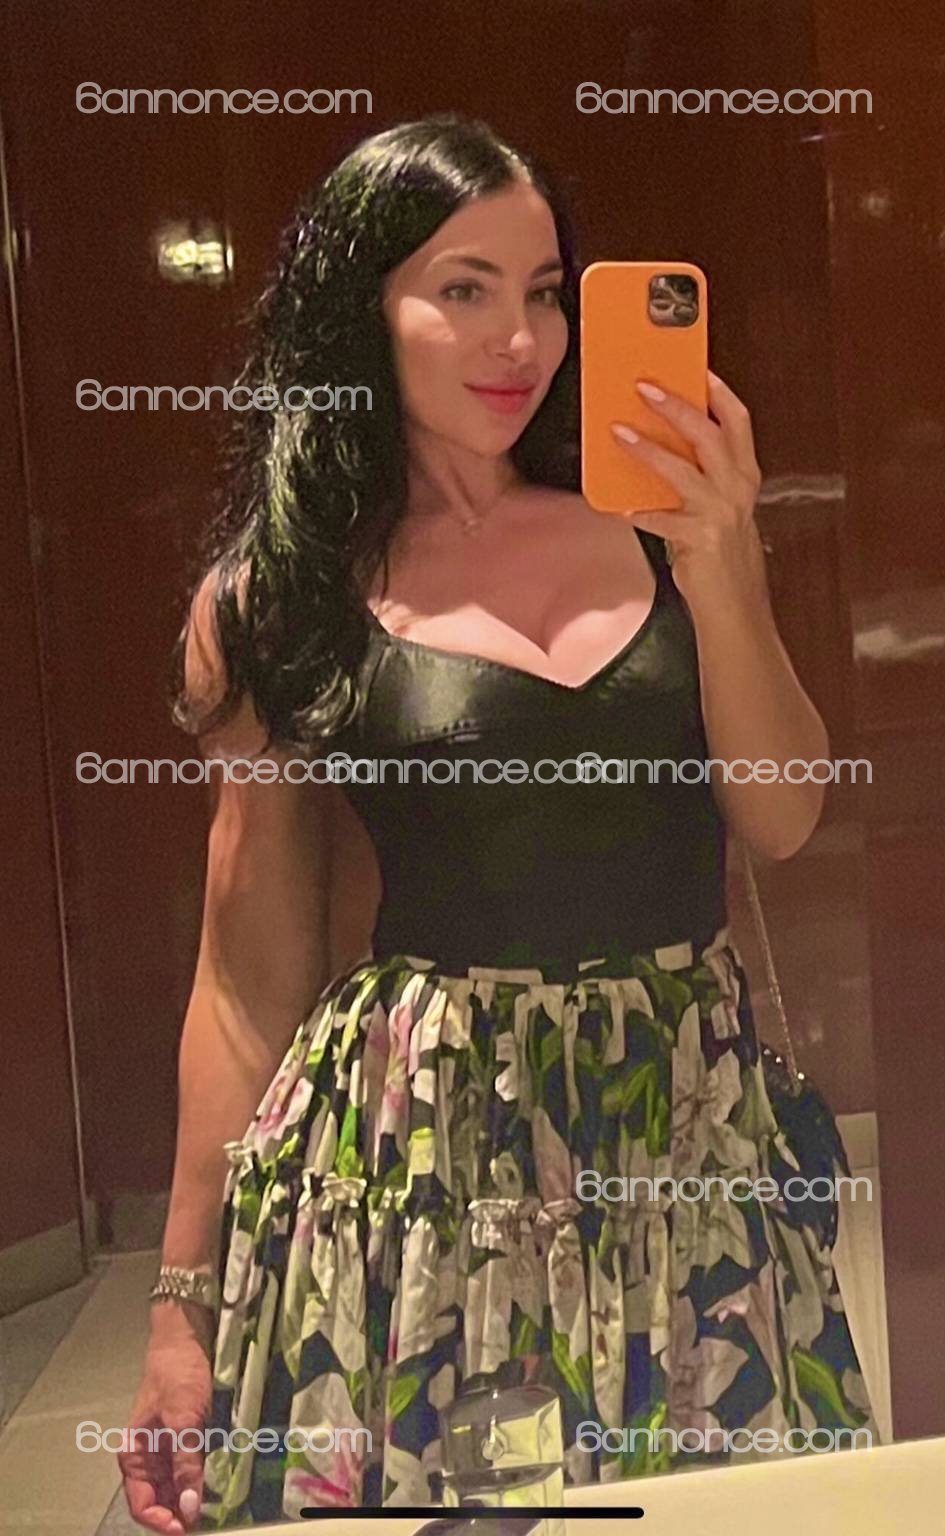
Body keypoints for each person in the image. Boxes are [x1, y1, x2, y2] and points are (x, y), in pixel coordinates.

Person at [120, 112, 876, 1532]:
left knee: (729, 1506)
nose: (517, 338)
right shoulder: (282, 593)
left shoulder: (659, 529)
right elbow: (242, 979)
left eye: (542, 290)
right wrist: (180, 1305)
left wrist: (724, 563)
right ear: (365, 309)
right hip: (421, 1155)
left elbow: (783, 818)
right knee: (465, 1510)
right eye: (461, 289)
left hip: (682, 1128)